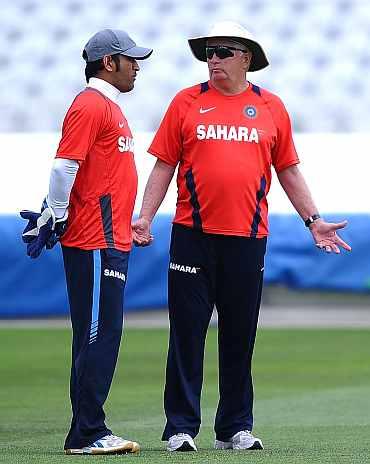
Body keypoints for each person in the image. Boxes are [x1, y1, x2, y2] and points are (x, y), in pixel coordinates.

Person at [132, 21, 351, 452]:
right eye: (209, 51)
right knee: (187, 334)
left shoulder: (271, 107)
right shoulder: (186, 102)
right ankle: (180, 428)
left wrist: (313, 220)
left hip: (248, 239)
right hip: (191, 236)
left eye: (224, 51)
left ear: (247, 57)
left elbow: (287, 168)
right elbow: (163, 165)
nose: (213, 58)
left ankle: (234, 428)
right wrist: (144, 217)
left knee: (239, 335)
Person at [20, 29, 152, 455]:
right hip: (95, 240)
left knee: (98, 334)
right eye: (130, 59)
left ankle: (87, 429)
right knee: (99, 334)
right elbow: (64, 166)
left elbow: (96, 174)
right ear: (108, 62)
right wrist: (57, 214)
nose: (137, 66)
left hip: (109, 238)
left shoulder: (107, 106)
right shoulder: (91, 104)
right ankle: (88, 433)